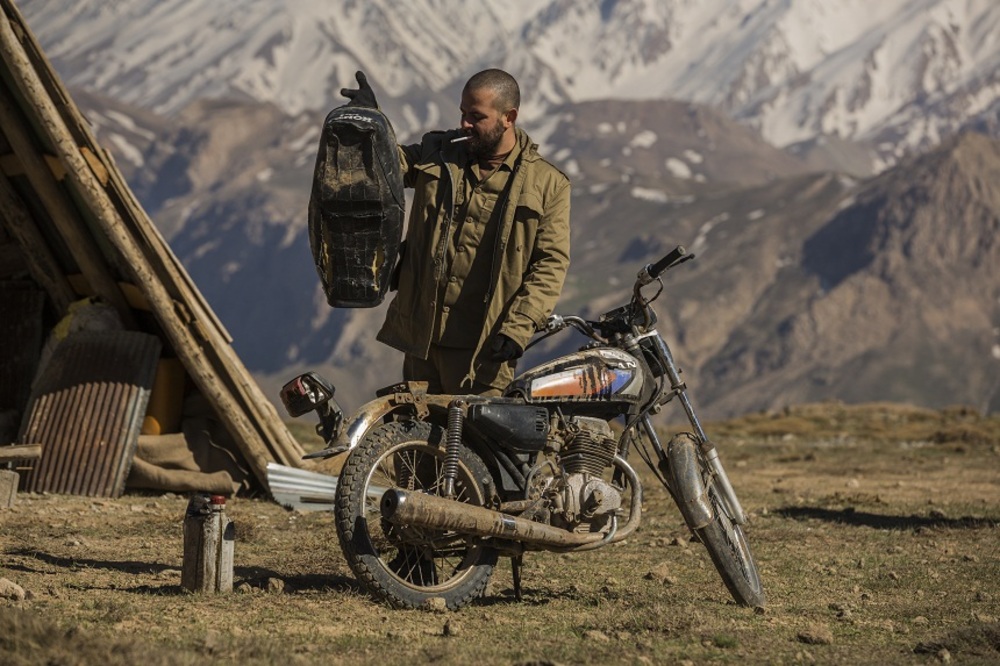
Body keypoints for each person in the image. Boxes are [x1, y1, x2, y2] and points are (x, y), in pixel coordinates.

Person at [340, 69, 571, 396]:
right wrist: (371, 122)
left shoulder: (548, 185)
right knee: (418, 441)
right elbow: (389, 166)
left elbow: (550, 264)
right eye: (463, 113)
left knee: (473, 445)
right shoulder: (438, 151)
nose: (465, 123)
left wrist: (518, 328)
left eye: (476, 116)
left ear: (509, 117)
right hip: (422, 342)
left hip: (483, 352)